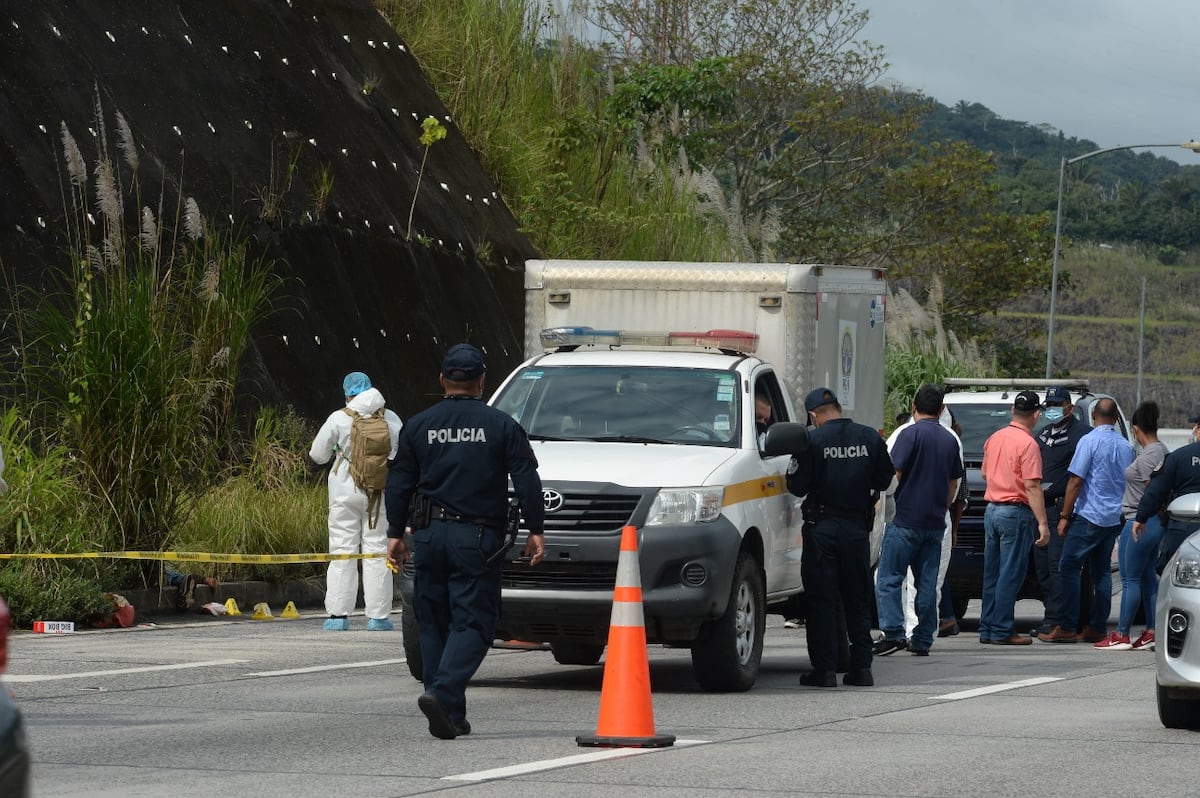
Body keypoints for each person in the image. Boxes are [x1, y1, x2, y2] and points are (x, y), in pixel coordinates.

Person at [384, 343, 545, 739]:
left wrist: (394, 534)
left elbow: (399, 482)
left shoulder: (419, 425)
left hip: (428, 536)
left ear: (442, 380)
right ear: (482, 381)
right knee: (475, 621)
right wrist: (536, 529)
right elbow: (526, 480)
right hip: (476, 537)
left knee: (434, 620)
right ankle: (444, 691)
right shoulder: (502, 425)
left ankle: (449, 712)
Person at [787, 387, 893, 687]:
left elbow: (797, 485)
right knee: (857, 599)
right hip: (857, 528)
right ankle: (861, 668)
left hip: (822, 529)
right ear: (838, 408)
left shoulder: (811, 440)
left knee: (821, 600)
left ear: (813, 415)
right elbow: (885, 479)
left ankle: (825, 671)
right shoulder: (870, 437)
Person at [309, 371, 403, 631]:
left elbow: (317, 455)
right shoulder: (391, 418)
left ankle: (338, 616)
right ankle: (378, 616)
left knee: (342, 549)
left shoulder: (339, 418)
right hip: (379, 492)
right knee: (376, 550)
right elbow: (400, 454)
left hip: (343, 491)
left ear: (348, 394)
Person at [874, 384, 963, 656]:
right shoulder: (950, 440)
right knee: (926, 585)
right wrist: (941, 508)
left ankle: (893, 632)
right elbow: (953, 483)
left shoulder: (908, 435)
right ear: (940, 410)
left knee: (889, 577)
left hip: (904, 520)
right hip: (935, 524)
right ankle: (923, 639)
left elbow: (894, 476)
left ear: (914, 408)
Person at [1045, 398, 1134, 643]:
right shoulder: (1126, 446)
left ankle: (1067, 626)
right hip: (1114, 517)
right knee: (1102, 571)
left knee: (1069, 567)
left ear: (1094, 415)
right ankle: (1096, 626)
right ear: (1116, 418)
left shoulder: (1089, 441)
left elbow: (1075, 481)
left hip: (1089, 516)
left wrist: (1064, 516)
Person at [979, 390, 1050, 646]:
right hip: (1014, 511)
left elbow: (986, 474)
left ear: (1012, 411)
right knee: (1010, 574)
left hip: (992, 510)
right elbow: (1032, 486)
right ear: (1036, 414)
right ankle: (1002, 629)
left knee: (993, 573)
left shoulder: (994, 438)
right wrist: (1042, 523)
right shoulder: (1028, 444)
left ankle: (987, 627)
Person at [1095, 401, 1168, 650]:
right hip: (1149, 521)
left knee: (1130, 579)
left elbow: (1153, 491)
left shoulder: (1150, 455)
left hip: (1139, 520)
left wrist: (1141, 519)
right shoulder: (1161, 451)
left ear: (1135, 428)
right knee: (1147, 577)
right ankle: (1152, 630)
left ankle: (1122, 633)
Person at [1032, 386, 1089, 638]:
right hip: (1039, 508)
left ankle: (1060, 620)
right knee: (1042, 566)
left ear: (1070, 407)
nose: (1051, 410)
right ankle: (1051, 615)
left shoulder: (1081, 435)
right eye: (1049, 406)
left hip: (1061, 509)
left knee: (1058, 566)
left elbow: (1078, 476)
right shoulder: (1042, 434)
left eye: (1057, 405)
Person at [1134, 412, 1200, 578]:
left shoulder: (1179, 457)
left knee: (1173, 579)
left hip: (1184, 527)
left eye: (1195, 427)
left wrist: (1141, 518)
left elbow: (1156, 490)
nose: (1193, 431)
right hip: (1183, 526)